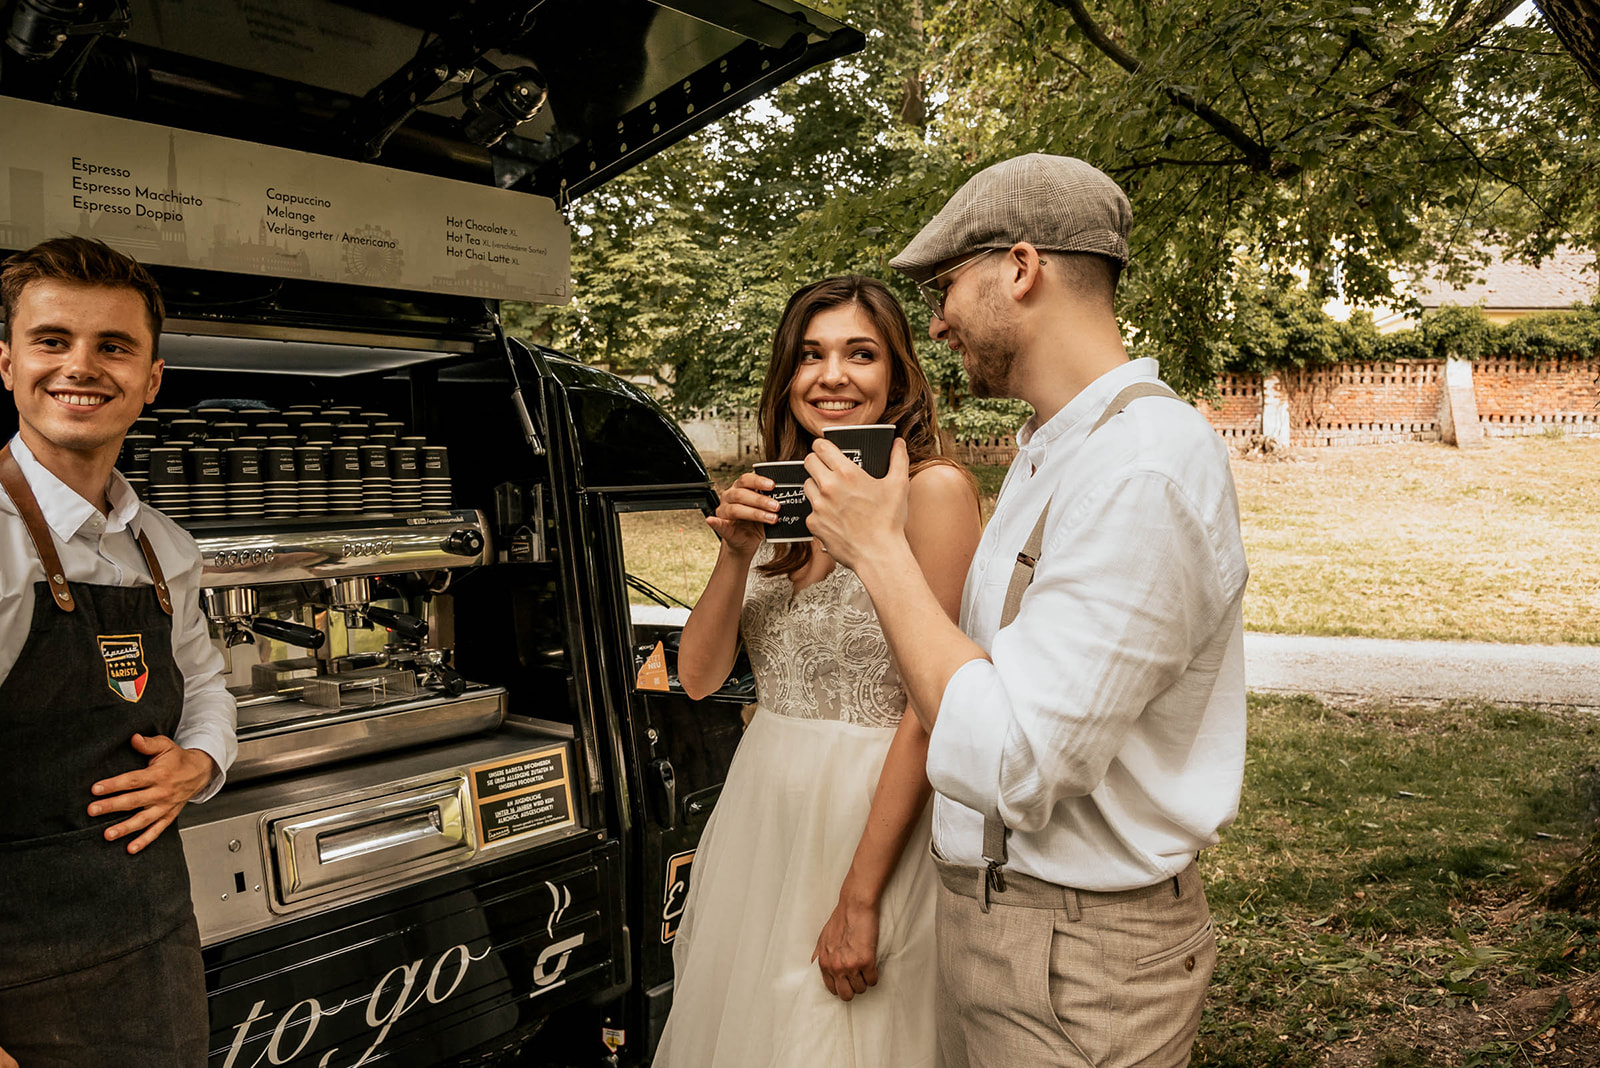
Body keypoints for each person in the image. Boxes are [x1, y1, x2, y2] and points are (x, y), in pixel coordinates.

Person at [804, 155, 1249, 1068]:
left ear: (1019, 268)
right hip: (996, 928)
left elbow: (1020, 761)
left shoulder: (1144, 469)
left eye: (945, 288)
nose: (935, 322)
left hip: (1082, 961)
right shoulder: (1053, 450)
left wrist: (879, 551)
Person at [652, 276, 982, 1068]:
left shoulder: (933, 494)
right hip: (764, 817)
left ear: (898, 375)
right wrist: (734, 556)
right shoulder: (784, 496)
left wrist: (860, 899)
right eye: (811, 355)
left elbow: (928, 709)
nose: (832, 376)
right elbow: (697, 679)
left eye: (859, 354)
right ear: (787, 376)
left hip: (872, 823)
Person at [0, 236, 236, 1067]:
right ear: (7, 365)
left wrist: (199, 762)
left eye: (114, 346)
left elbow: (206, 683)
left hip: (153, 948)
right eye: (53, 340)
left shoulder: (164, 547)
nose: (82, 367)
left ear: (151, 378)